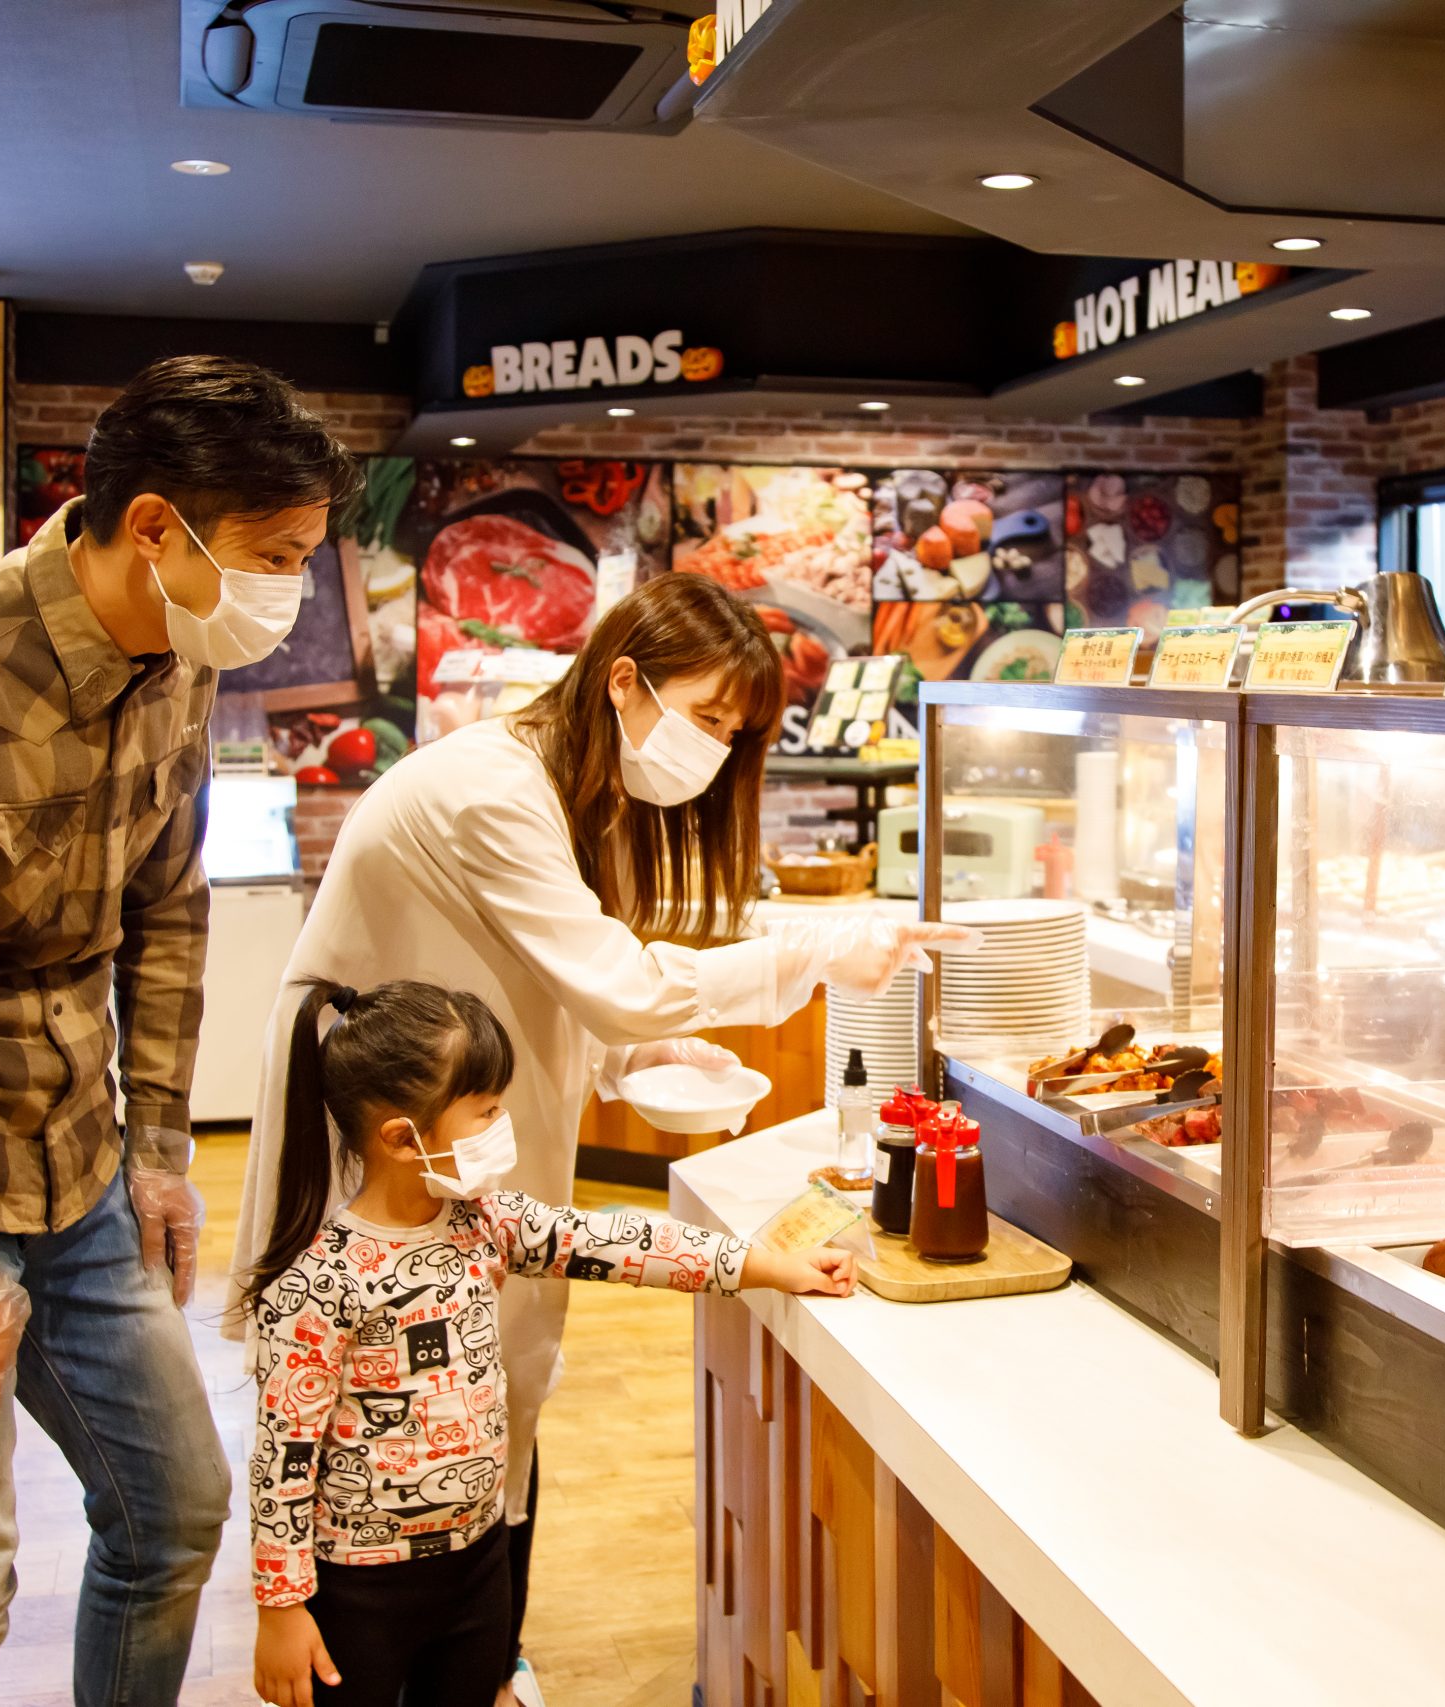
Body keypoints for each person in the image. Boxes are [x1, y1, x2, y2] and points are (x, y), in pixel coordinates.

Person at [230, 571, 973, 1695]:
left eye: (735, 732)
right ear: (623, 681)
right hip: (385, 1128)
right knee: (373, 1403)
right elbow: (612, 981)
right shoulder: (492, 790)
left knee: (493, 1381)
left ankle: (480, 1648)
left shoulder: (566, 785)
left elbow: (561, 983)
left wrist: (639, 1056)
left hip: (457, 1113)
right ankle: (346, 1641)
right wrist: (812, 954)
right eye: (708, 717)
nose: (717, 749)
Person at [0, 355, 360, 1705]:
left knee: (176, 1505)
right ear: (155, 526)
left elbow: (170, 910)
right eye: (275, 556)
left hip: (72, 1148)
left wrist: (156, 1143)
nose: (290, 594)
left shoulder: (178, 660)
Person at [245, 978, 854, 1707]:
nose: (505, 1122)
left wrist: (764, 1265)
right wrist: (281, 1606)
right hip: (359, 1592)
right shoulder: (321, 1282)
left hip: (478, 1566)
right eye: (487, 1110)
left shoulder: (484, 1222)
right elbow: (281, 1457)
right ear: (404, 1138)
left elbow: (624, 1240)